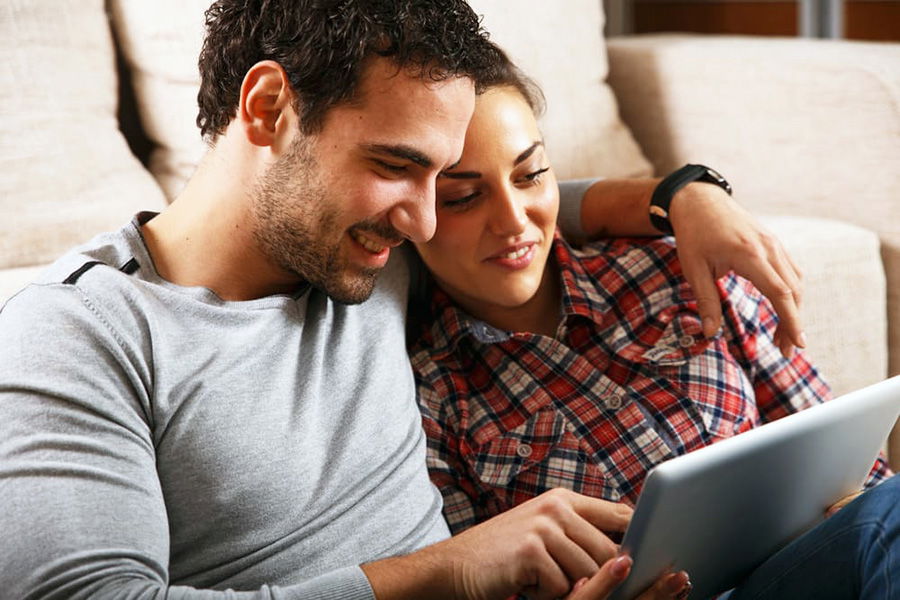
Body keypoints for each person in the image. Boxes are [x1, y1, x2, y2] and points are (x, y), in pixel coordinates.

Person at [0, 1, 816, 599]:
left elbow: (525, 207)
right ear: (267, 109)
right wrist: (449, 569)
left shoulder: (375, 245)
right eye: (397, 164)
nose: (426, 219)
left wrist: (687, 194)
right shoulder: (76, 331)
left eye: (440, 179)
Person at [407, 55, 897, 598]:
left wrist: (854, 506)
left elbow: (843, 460)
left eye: (531, 175)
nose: (515, 221)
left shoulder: (673, 269)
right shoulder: (430, 401)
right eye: (464, 197)